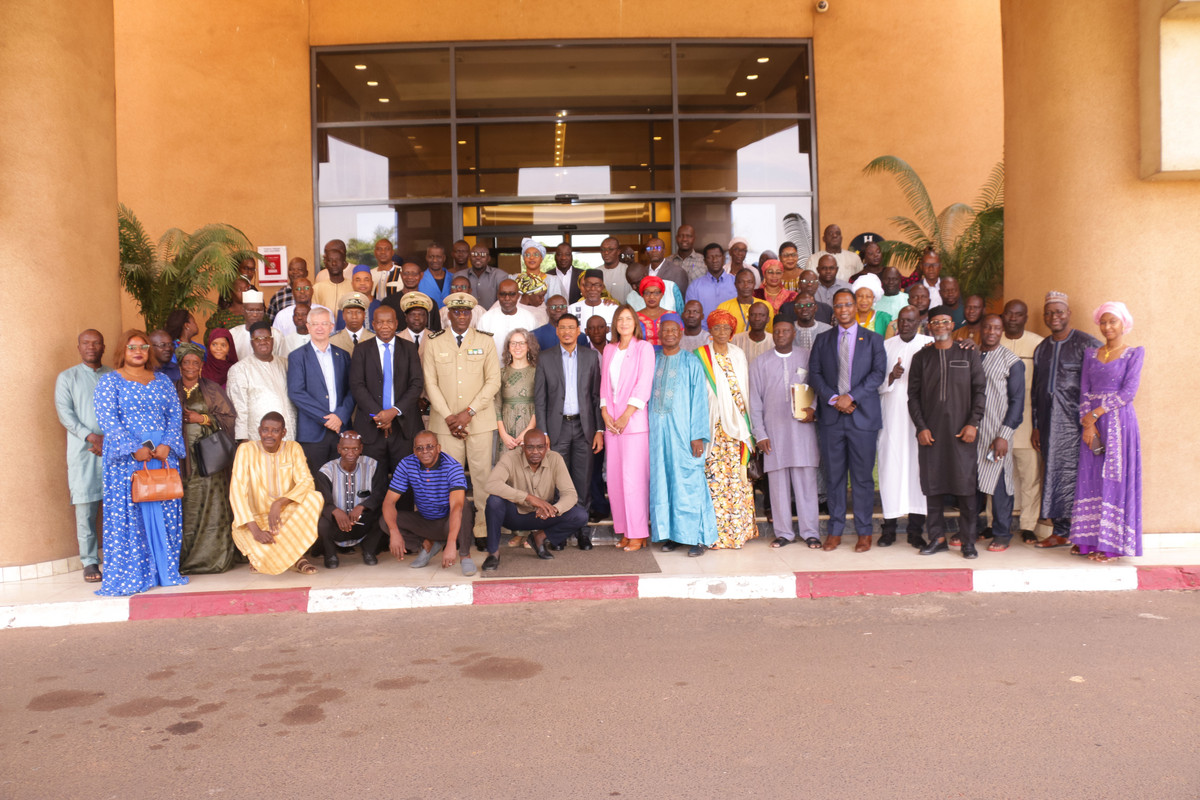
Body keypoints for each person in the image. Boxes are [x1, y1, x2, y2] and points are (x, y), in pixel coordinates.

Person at [92, 330, 189, 596]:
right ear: (122, 351)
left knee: (164, 508)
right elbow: (108, 419)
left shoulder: (162, 380)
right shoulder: (110, 382)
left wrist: (167, 444)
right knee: (131, 514)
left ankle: (164, 571)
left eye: (143, 347)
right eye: (132, 347)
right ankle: (134, 572)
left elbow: (174, 414)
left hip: (162, 456)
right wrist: (133, 449)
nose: (138, 352)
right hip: (129, 459)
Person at [810, 288, 887, 552]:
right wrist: (835, 399)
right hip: (832, 419)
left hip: (862, 418)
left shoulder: (874, 339)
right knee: (834, 477)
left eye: (847, 304)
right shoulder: (823, 340)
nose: (843, 310)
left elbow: (878, 374)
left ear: (856, 307)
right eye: (839, 305)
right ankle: (835, 531)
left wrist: (851, 397)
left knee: (863, 478)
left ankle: (864, 532)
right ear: (834, 310)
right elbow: (815, 374)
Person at [423, 292, 502, 550]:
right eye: (456, 312)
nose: (461, 316)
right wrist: (449, 417)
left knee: (482, 478)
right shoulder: (434, 342)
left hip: (478, 422)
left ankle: (482, 529)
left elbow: (493, 381)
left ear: (471, 314)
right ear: (448, 314)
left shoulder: (485, 341)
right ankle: (453, 530)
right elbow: (430, 383)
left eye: (465, 312)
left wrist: (468, 412)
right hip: (445, 425)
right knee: (449, 479)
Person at [907, 306, 986, 558]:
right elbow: (913, 397)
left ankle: (968, 542)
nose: (940, 326)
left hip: (963, 434)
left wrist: (973, 423)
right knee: (933, 487)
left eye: (945, 321)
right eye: (935, 322)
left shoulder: (968, 354)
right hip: (931, 434)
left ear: (952, 325)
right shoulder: (921, 357)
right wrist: (921, 427)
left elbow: (979, 391)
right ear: (929, 326)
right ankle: (937, 538)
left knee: (966, 488)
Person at [1070, 301, 1143, 561]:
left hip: (1119, 425)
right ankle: (1088, 541)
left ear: (1124, 324)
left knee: (1114, 479)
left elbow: (1128, 392)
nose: (1107, 326)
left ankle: (1112, 546)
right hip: (1093, 425)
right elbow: (1084, 391)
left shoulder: (1133, 354)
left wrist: (1096, 413)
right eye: (1103, 322)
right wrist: (1088, 423)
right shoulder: (1091, 354)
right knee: (1091, 477)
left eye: (1113, 321)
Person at [1031, 291, 1101, 549]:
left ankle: (1083, 533)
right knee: (1055, 475)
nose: (1054, 317)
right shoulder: (1042, 348)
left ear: (1068, 313)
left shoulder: (1087, 343)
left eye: (1059, 312)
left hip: (1078, 423)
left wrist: (1094, 421)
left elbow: (1101, 381)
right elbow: (1036, 390)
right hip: (1050, 423)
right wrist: (1036, 426)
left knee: (1081, 475)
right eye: (1049, 313)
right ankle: (1061, 531)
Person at [647, 316, 717, 556]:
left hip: (684, 434)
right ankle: (674, 535)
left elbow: (699, 400)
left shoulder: (691, 362)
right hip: (658, 435)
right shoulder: (653, 360)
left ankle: (699, 537)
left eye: (673, 330)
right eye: (665, 330)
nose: (669, 334)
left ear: (680, 333)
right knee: (664, 482)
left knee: (689, 482)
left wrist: (698, 435)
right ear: (659, 334)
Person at [749, 316, 821, 548]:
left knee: (806, 484)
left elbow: (819, 387)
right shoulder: (760, 363)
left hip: (803, 432)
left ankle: (811, 532)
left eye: (786, 331)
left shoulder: (808, 357)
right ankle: (783, 533)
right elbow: (754, 401)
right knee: (778, 486)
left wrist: (814, 408)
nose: (781, 335)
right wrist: (760, 433)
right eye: (777, 331)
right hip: (774, 433)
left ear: (794, 334)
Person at [534, 313, 604, 550]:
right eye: (562, 327)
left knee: (582, 483)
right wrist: (543, 433)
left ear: (578, 331)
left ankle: (583, 531)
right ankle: (560, 532)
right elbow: (540, 399)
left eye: (571, 327)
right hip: (557, 428)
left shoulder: (590, 357)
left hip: (585, 428)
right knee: (559, 483)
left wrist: (599, 429)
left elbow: (596, 397)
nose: (566, 332)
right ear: (557, 331)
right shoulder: (545, 358)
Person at [229, 412, 323, 575]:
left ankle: (296, 558)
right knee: (261, 552)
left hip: (284, 519)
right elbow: (236, 490)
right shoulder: (246, 450)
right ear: (259, 431)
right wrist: (256, 531)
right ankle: (283, 557)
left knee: (314, 498)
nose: (269, 435)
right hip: (253, 521)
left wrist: (279, 503)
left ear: (283, 432)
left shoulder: (293, 448)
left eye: (275, 431)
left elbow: (307, 482)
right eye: (265, 430)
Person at [173, 343, 237, 574]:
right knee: (185, 506)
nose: (191, 366)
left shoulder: (212, 389)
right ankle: (184, 559)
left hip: (209, 460)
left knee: (213, 505)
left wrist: (202, 419)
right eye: (186, 362)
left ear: (201, 365)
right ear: (180, 366)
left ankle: (213, 558)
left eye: (195, 362)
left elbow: (229, 418)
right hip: (180, 460)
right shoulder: (171, 389)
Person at [54, 329, 112, 582]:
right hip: (83, 451)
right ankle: (89, 562)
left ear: (103, 347)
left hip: (113, 449)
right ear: (78, 347)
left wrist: (109, 440)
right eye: (86, 343)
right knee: (85, 508)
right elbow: (65, 413)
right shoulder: (67, 378)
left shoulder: (113, 376)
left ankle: (116, 557)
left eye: (96, 343)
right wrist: (91, 436)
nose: (91, 347)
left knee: (116, 506)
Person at [697, 309, 757, 549]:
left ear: (732, 332)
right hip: (713, 428)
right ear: (710, 331)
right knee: (715, 482)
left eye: (726, 328)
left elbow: (745, 390)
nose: (721, 331)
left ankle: (738, 534)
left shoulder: (738, 354)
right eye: (717, 327)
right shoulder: (701, 355)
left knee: (737, 482)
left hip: (738, 429)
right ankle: (715, 536)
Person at [600, 305, 655, 552]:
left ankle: (638, 533)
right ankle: (624, 530)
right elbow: (604, 385)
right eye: (620, 319)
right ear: (615, 323)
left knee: (634, 481)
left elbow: (644, 384)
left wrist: (626, 414)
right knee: (615, 481)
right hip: (612, 424)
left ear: (635, 323)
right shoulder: (609, 349)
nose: (624, 322)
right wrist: (604, 412)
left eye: (628, 318)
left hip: (633, 423)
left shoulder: (643, 348)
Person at [382, 431, 477, 575]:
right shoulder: (407, 464)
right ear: (414, 451)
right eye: (419, 448)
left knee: (463, 505)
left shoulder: (452, 467)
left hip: (448, 522)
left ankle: (465, 556)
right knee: (386, 521)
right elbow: (389, 502)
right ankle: (427, 544)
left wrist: (451, 543)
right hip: (426, 521)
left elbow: (456, 508)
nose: (424, 451)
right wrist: (394, 532)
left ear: (438, 448)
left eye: (430, 447)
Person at [877, 306, 932, 548]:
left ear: (919, 322)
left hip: (920, 421)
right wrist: (891, 377)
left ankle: (915, 531)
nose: (906, 325)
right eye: (902, 321)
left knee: (917, 472)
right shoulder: (886, 346)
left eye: (911, 321)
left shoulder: (929, 345)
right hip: (891, 418)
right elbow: (875, 382)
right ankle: (888, 528)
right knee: (890, 470)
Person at [347, 304, 423, 475]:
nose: (385, 326)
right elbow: (357, 385)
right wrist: (380, 415)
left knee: (404, 478)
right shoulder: (361, 349)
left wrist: (393, 411)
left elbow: (417, 384)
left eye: (389, 322)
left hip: (404, 427)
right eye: (380, 322)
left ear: (396, 324)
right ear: (373, 325)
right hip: (371, 426)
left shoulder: (409, 348)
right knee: (372, 478)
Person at [973, 314, 1025, 552]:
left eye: (996, 328)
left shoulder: (1012, 361)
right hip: (973, 431)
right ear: (981, 329)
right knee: (972, 484)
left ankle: (1002, 533)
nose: (991, 332)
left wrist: (1004, 434)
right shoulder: (972, 354)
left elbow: (1017, 401)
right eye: (987, 327)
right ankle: (971, 529)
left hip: (997, 433)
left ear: (1002, 330)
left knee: (1000, 484)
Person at [286, 307, 355, 475]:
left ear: (331, 326)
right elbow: (296, 392)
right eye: (315, 324)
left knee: (341, 478)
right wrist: (327, 418)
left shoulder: (343, 355)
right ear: (308, 327)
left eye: (324, 323)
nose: (319, 328)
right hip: (312, 433)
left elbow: (352, 390)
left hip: (341, 429)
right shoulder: (297, 356)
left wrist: (340, 416)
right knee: (316, 481)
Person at [1001, 299, 1047, 542]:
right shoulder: (993, 339)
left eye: (1018, 314)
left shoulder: (1037, 344)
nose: (1013, 318)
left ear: (1025, 318)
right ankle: (995, 522)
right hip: (998, 423)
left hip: (1028, 420)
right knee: (997, 476)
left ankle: (1028, 525)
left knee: (1030, 476)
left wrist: (1038, 426)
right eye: (1009, 313)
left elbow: (1042, 386)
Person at [314, 431, 388, 568]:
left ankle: (369, 550)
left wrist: (362, 506)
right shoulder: (326, 471)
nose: (350, 453)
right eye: (346, 449)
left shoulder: (372, 466)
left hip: (362, 523)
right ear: (339, 449)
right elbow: (321, 499)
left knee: (385, 515)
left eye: (355, 449)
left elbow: (380, 493)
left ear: (361, 449)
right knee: (321, 523)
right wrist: (335, 511)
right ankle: (330, 554)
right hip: (336, 525)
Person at [227, 322, 295, 442]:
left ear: (272, 340)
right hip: (258, 437)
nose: (263, 342)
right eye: (257, 339)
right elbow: (239, 408)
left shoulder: (285, 364)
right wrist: (242, 439)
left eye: (267, 338)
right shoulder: (240, 369)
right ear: (251, 342)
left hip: (289, 433)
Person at [496, 328, 539, 473]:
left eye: (521, 343)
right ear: (508, 347)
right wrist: (503, 435)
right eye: (513, 343)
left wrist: (528, 431)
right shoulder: (501, 373)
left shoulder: (537, 372)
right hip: (506, 430)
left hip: (530, 426)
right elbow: (497, 405)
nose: (517, 347)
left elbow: (540, 404)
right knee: (507, 472)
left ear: (529, 346)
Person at [478, 279, 539, 362]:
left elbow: (534, 349)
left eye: (512, 294)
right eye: (502, 294)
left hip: (522, 368)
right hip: (494, 368)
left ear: (518, 296)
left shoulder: (529, 318)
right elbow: (481, 348)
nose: (507, 298)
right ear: (497, 295)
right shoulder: (486, 319)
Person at [684, 243, 737, 315]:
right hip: (704, 323)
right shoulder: (694, 287)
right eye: (710, 257)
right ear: (705, 261)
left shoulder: (736, 282)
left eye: (718, 256)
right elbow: (691, 315)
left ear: (723, 258)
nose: (714, 260)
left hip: (732, 323)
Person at [717, 269, 773, 335]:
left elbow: (770, 333)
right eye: (741, 282)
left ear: (754, 284)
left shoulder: (766, 306)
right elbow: (719, 334)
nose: (746, 286)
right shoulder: (723, 308)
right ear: (735, 284)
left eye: (749, 282)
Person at [230, 290, 283, 360]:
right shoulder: (233, 334)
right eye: (251, 310)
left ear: (263, 311)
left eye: (258, 310)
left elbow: (281, 360)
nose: (255, 314)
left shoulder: (276, 334)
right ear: (243, 311)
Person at [313, 239, 357, 312]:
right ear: (325, 263)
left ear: (343, 262)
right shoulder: (317, 288)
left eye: (338, 260)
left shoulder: (353, 286)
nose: (334, 263)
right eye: (330, 260)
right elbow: (314, 310)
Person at [458, 241, 505, 311]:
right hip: (466, 316)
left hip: (492, 316)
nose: (478, 257)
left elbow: (504, 300)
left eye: (483, 255)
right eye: (474, 254)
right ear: (469, 257)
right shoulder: (460, 275)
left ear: (489, 258)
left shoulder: (500, 275)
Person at [266, 257, 309, 323]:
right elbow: (270, 323)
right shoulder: (278, 296)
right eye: (291, 269)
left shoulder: (313, 293)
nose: (295, 272)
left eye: (299, 269)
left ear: (306, 273)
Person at [635, 276, 670, 345]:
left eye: (656, 293)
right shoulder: (635, 317)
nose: (651, 297)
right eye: (647, 293)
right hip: (642, 352)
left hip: (667, 352)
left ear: (662, 295)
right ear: (642, 295)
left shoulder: (671, 315)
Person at [417, 242, 454, 307]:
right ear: (426, 258)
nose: (434, 260)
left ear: (444, 258)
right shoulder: (419, 278)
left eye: (438, 257)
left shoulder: (453, 278)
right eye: (431, 257)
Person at [598, 236, 632, 304]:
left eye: (610, 249)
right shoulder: (596, 272)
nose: (606, 252)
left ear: (618, 251)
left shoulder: (628, 271)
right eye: (603, 249)